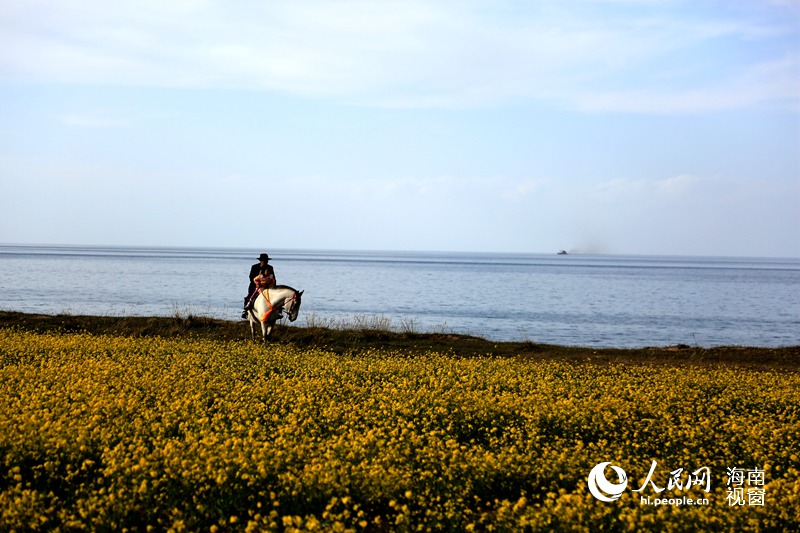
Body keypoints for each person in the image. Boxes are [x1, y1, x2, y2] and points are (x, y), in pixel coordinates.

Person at [242, 253, 277, 318]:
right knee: (250, 295)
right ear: (260, 261)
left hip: (268, 287)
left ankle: (278, 311)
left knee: (276, 297)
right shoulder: (254, 267)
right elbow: (251, 277)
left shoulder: (270, 268)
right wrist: (258, 284)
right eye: (264, 260)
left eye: (266, 260)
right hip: (255, 285)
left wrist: (272, 285)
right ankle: (245, 311)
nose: (265, 262)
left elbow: (273, 278)